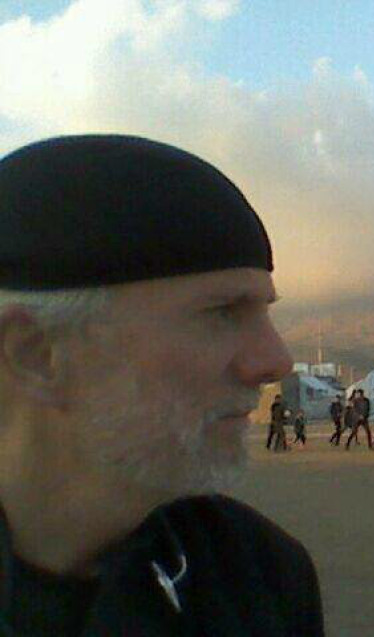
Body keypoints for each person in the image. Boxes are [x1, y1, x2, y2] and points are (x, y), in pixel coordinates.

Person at [0, 135, 324, 634]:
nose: (274, 360)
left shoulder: (257, 570)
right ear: (37, 353)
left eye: (263, 313)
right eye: (221, 312)